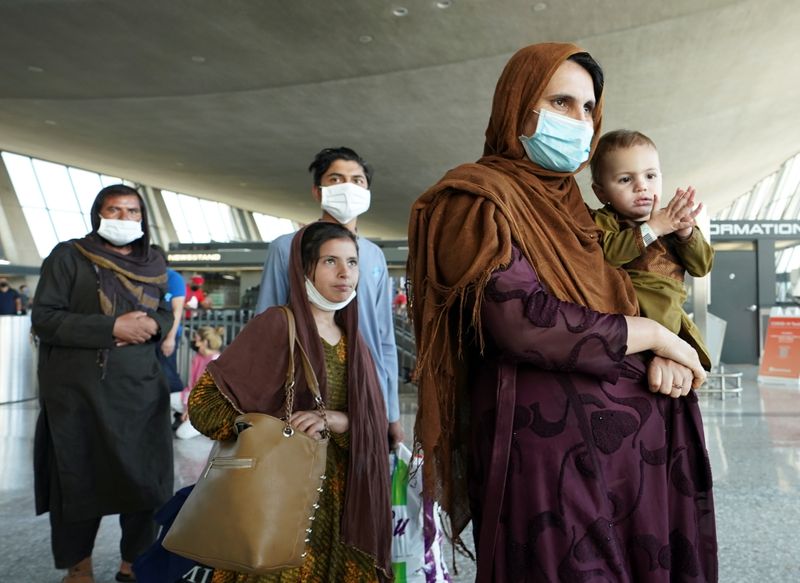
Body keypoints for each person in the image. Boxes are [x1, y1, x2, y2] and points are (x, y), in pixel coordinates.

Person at [407, 43, 717, 582]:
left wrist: (661, 353)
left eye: (588, 107)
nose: (579, 120)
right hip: (550, 468)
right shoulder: (477, 198)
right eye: (560, 102)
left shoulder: (574, 210)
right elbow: (521, 321)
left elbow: (621, 290)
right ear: (516, 103)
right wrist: (650, 337)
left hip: (635, 469)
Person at [189, 221, 392, 582]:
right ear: (304, 269)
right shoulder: (277, 326)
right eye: (330, 261)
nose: (345, 273)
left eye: (352, 262)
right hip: (279, 502)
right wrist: (273, 432)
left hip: (343, 507)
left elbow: (372, 424)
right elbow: (204, 404)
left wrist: (341, 421)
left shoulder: (353, 340)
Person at [31, 184, 174, 583]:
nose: (124, 219)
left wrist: (153, 324)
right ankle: (80, 569)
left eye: (132, 211)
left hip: (140, 392)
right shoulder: (69, 256)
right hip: (80, 393)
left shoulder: (154, 260)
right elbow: (45, 318)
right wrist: (112, 326)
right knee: (79, 480)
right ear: (98, 213)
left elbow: (164, 309)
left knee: (146, 482)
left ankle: (133, 564)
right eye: (114, 210)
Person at [255, 147, 403, 448]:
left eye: (357, 180)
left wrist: (391, 412)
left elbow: (384, 337)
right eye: (336, 179)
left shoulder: (374, 256)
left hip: (364, 387)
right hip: (304, 388)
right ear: (317, 191)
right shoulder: (287, 248)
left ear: (368, 192)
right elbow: (265, 327)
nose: (348, 187)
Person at [591, 129, 715, 370]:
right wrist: (652, 228)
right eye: (625, 179)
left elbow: (702, 267)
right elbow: (610, 255)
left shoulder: (673, 220)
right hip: (625, 315)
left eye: (650, 176)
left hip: (669, 320)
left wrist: (686, 233)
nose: (641, 187)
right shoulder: (604, 220)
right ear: (601, 191)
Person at [171, 325, 224, 440]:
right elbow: (192, 386)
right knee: (166, 399)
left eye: (196, 339)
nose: (194, 342)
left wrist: (191, 411)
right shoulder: (199, 357)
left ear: (204, 341)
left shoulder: (216, 363)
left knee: (181, 434)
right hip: (193, 399)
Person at [153, 245, 187, 394]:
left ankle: (179, 409)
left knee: (167, 372)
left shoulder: (173, 278)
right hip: (149, 332)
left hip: (167, 332)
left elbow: (177, 309)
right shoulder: (146, 276)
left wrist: (170, 338)